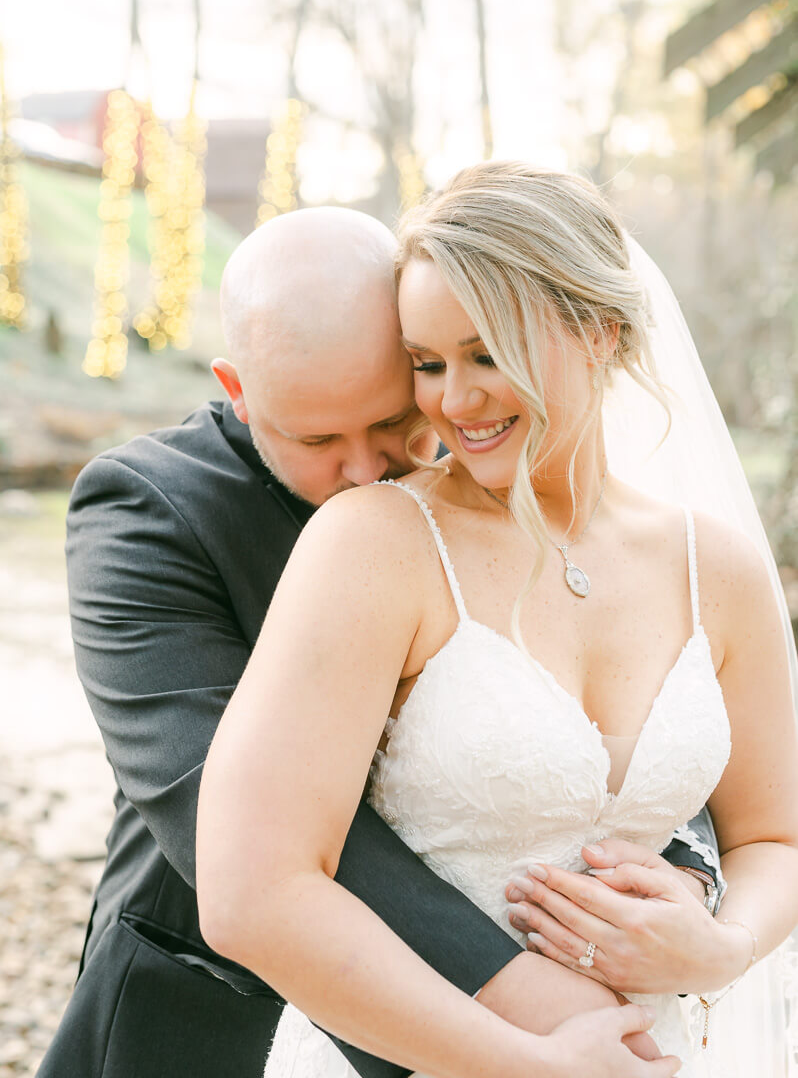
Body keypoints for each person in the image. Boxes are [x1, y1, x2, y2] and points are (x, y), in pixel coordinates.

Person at [40, 205, 720, 1078]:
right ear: (238, 388)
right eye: (317, 439)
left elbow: (612, 707)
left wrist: (692, 879)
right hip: (216, 1015)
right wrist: (533, 1009)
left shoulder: (493, 480)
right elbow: (222, 811)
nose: (369, 472)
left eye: (396, 422)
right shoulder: (147, 513)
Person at [196, 164, 798, 1078]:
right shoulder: (374, 545)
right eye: (429, 364)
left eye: (487, 354)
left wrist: (724, 946)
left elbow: (774, 838)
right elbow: (252, 893)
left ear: (599, 331)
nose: (453, 401)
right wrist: (528, 1066)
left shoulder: (714, 567)